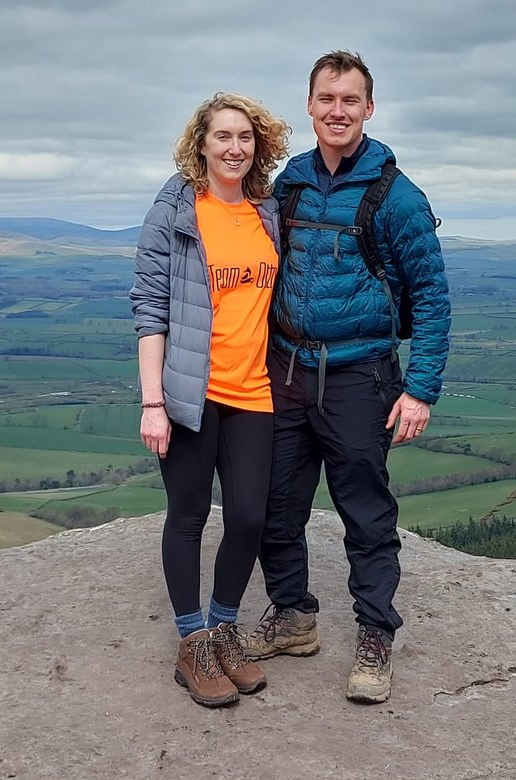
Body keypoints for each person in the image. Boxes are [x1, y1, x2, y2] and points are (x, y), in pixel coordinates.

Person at [243, 51, 451, 704]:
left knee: (365, 511)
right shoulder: (292, 182)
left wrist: (420, 389)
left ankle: (375, 635)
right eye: (327, 99)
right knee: (274, 503)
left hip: (361, 374)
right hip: (286, 368)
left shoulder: (398, 197)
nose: (337, 111)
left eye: (350, 100)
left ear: (369, 108)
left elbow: (433, 297)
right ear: (309, 106)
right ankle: (295, 616)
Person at [129, 93, 290, 708]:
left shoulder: (266, 211)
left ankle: (224, 628)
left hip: (254, 390)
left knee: (249, 515)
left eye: (245, 137)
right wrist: (152, 402)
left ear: (259, 145)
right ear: (201, 143)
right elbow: (150, 308)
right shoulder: (175, 211)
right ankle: (192, 641)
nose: (234, 148)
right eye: (222, 136)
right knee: (189, 515)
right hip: (190, 393)